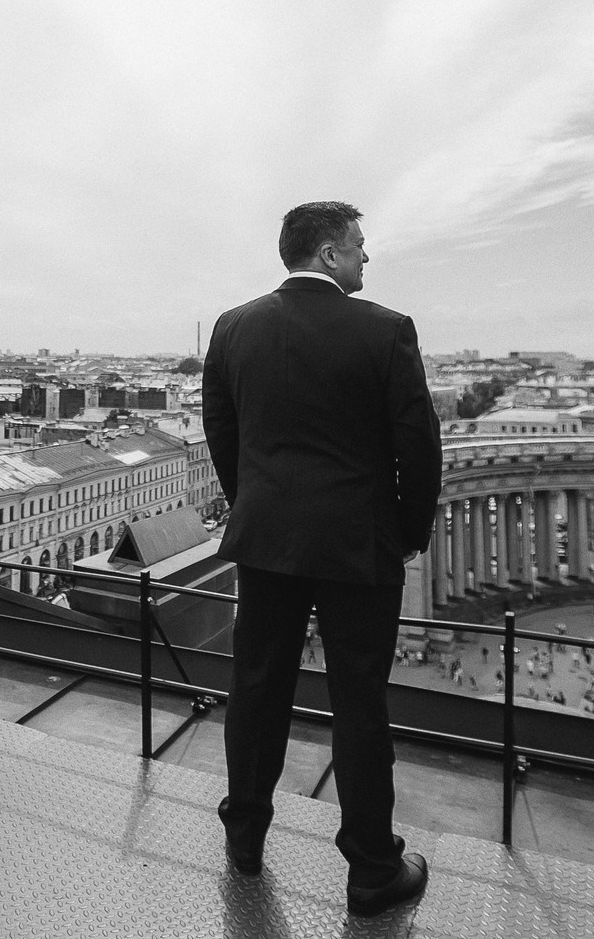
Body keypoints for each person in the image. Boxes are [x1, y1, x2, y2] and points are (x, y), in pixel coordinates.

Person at [203, 201, 440, 918]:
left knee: (256, 686)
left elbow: (222, 430)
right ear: (331, 253)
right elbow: (418, 447)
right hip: (357, 545)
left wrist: (256, 505)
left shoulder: (233, 326)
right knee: (359, 702)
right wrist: (406, 531)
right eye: (360, 246)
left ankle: (245, 836)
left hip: (266, 541)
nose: (368, 257)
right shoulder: (386, 329)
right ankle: (371, 867)